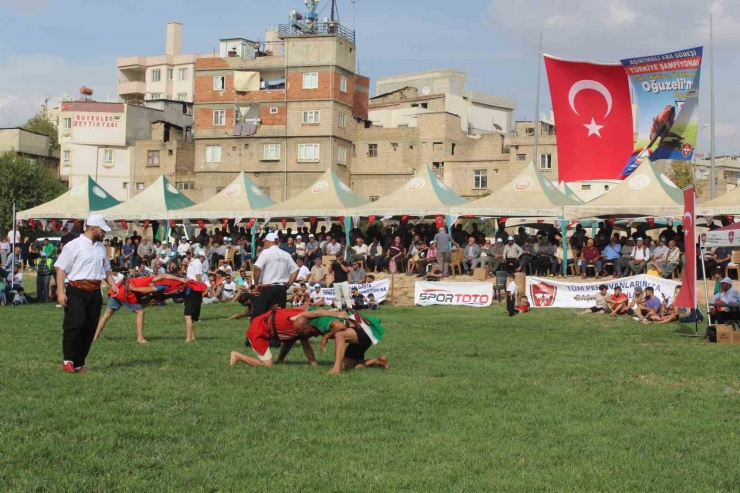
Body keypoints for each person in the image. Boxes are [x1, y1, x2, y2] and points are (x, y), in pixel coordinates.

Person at [54, 215, 118, 373]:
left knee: (90, 327)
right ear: (92, 228)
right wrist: (60, 291)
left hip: (95, 292)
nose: (104, 233)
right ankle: (68, 359)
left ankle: (78, 362)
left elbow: (106, 269)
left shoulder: (101, 248)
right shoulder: (73, 246)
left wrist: (113, 284)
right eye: (102, 230)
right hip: (77, 290)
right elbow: (60, 268)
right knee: (76, 324)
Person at [94, 274, 190, 343]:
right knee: (140, 312)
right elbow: (142, 290)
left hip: (118, 287)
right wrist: (133, 288)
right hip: (126, 291)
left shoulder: (152, 279)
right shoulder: (157, 285)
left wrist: (180, 279)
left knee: (106, 314)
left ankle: (95, 337)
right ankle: (140, 338)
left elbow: (164, 276)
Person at [230, 306, 322, 368]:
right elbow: (305, 344)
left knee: (292, 338)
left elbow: (300, 343)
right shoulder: (296, 323)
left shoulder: (300, 322)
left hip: (261, 324)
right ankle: (237, 356)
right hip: (257, 331)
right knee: (268, 365)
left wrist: (314, 365)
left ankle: (280, 360)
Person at [310, 309, 388, 374]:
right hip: (361, 337)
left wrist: (325, 337)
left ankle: (336, 369)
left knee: (340, 335)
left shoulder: (322, 320)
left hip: (364, 330)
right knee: (350, 365)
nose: (315, 336)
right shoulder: (323, 318)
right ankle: (378, 361)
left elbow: (340, 326)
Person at [251, 232, 299, 319]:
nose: (264, 243)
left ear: (268, 242)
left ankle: (260, 331)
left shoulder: (265, 253)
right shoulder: (286, 254)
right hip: (281, 289)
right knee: (278, 315)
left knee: (261, 314)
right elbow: (296, 270)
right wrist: (288, 285)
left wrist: (256, 284)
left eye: (265, 242)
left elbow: (257, 267)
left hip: (268, 288)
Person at [184, 252, 205, 343]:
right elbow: (198, 276)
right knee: (189, 315)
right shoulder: (198, 263)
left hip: (190, 288)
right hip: (194, 289)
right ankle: (189, 337)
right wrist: (199, 288)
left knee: (189, 315)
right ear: (202, 257)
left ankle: (191, 337)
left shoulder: (192, 262)